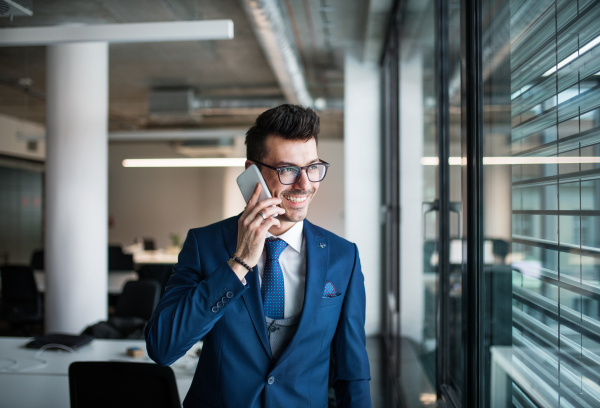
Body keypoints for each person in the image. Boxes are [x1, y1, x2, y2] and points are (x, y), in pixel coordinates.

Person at [145, 104, 371, 407]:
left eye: (313, 168)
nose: (305, 184)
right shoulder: (205, 244)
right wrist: (239, 263)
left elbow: (352, 372)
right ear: (252, 172)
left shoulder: (344, 257)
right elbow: (163, 347)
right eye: (288, 170)